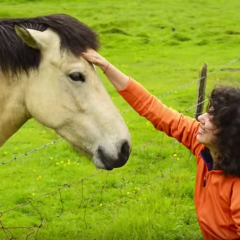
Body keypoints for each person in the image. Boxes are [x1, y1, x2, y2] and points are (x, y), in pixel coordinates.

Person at [82, 49, 240, 240]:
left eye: (212, 117)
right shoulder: (203, 147)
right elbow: (152, 108)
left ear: (230, 132)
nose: (201, 117)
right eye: (207, 111)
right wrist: (104, 65)